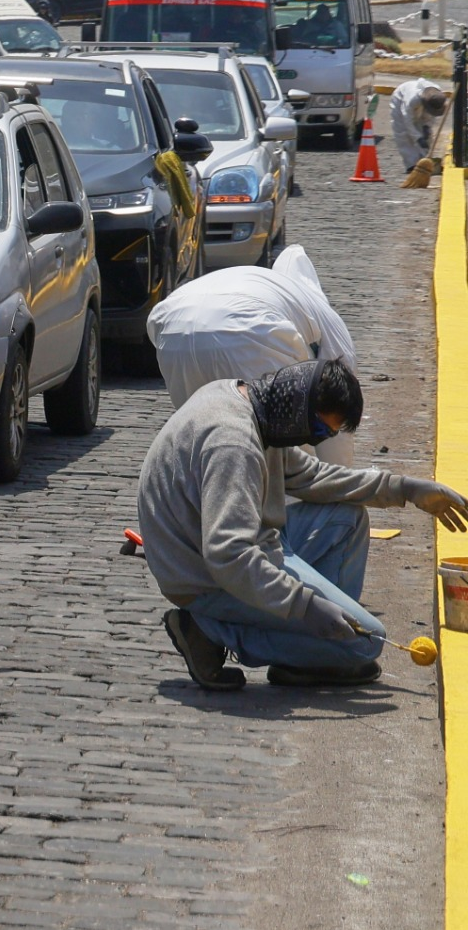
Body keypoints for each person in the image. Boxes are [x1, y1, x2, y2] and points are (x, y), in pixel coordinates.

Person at [141, 358, 468, 689]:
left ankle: (314, 654)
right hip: (205, 579)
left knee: (347, 519)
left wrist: (404, 488)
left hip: (242, 546)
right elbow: (229, 555)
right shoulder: (234, 443)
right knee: (367, 642)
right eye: (323, 431)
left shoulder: (253, 406)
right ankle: (208, 631)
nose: (322, 438)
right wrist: (305, 606)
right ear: (298, 410)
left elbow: (313, 476)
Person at [148, 248, 357, 463]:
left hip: (173, 331)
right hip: (247, 332)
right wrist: (341, 480)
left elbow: (155, 324)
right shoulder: (328, 320)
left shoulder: (271, 286)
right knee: (283, 450)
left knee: (199, 434)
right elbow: (339, 410)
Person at [386, 76, 451, 178]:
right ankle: (411, 164)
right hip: (400, 100)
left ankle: (424, 162)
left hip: (423, 104)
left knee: (426, 134)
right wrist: (418, 137)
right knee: (403, 134)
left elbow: (431, 116)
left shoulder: (436, 95)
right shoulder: (411, 100)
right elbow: (407, 121)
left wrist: (426, 127)